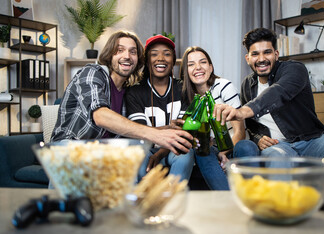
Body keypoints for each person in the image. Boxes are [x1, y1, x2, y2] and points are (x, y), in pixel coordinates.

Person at [213, 27, 324, 217]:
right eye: (255, 54)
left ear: (276, 53)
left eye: (267, 52)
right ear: (248, 58)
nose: (262, 59)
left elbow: (278, 93)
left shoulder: (294, 69)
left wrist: (242, 111)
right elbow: (253, 126)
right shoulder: (247, 84)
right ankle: (282, 226)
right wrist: (258, 138)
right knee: (278, 162)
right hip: (277, 146)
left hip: (311, 139)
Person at [51, 31, 193, 155]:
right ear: (109, 55)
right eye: (119, 50)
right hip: (69, 148)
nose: (127, 56)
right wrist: (156, 135)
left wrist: (165, 130)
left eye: (133, 52)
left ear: (138, 60)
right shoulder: (92, 73)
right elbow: (101, 116)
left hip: (105, 153)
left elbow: (128, 129)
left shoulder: (127, 92)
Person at [180, 46, 259, 190]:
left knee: (247, 146)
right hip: (211, 149)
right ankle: (228, 200)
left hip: (236, 144)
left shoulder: (224, 86)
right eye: (191, 64)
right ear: (186, 71)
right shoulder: (186, 98)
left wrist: (224, 153)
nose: (198, 67)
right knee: (202, 151)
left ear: (210, 67)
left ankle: (252, 197)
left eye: (203, 62)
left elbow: (240, 132)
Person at [125, 35, 195, 182]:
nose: (161, 58)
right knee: (138, 158)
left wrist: (160, 154)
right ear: (146, 60)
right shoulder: (134, 91)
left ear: (174, 60)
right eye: (154, 54)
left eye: (167, 54)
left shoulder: (183, 88)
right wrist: (170, 128)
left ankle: (174, 198)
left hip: (172, 149)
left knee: (185, 155)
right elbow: (139, 132)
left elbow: (183, 131)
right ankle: (146, 202)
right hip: (146, 148)